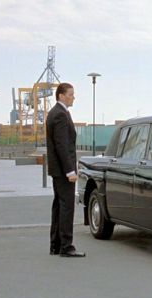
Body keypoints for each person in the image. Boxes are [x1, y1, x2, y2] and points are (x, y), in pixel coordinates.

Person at [46, 83, 85, 257]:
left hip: (57, 170)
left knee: (59, 207)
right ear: (61, 95)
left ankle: (55, 245)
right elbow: (62, 145)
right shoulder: (61, 115)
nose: (73, 97)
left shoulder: (55, 113)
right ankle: (66, 247)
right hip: (63, 171)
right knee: (67, 206)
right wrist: (70, 171)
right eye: (71, 94)